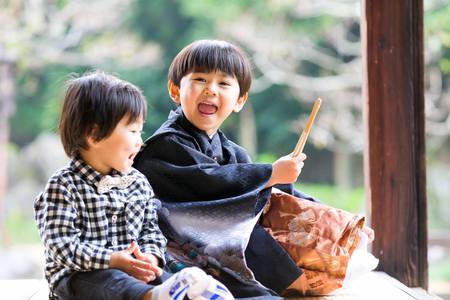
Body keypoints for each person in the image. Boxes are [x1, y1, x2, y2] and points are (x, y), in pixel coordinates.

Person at [133, 40, 375, 298]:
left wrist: (339, 220)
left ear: (239, 100)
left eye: (223, 83)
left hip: (218, 237)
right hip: (179, 245)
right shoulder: (165, 145)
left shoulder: (230, 150)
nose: (211, 90)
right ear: (175, 90)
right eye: (200, 79)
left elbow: (273, 191)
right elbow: (209, 182)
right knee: (256, 241)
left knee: (292, 217)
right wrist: (270, 173)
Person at [34, 71, 234, 300]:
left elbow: (151, 230)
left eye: (140, 131)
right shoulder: (63, 187)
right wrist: (113, 260)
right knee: (105, 280)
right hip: (80, 278)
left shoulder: (138, 183)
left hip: (133, 272)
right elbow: (62, 247)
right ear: (94, 134)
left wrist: (150, 256)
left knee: (165, 276)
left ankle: (193, 294)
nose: (140, 141)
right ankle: (152, 297)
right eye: (132, 131)